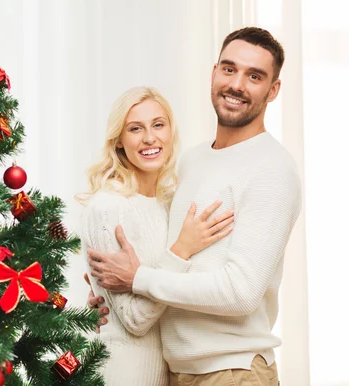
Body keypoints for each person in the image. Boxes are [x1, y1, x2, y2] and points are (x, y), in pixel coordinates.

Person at [87, 27, 302, 386]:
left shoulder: (272, 168)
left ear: (273, 90)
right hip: (175, 371)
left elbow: (240, 293)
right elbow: (172, 258)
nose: (236, 84)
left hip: (233, 372)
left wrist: (139, 279)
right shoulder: (192, 161)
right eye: (229, 69)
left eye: (254, 76)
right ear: (214, 73)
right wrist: (109, 295)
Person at [77, 86, 234, 386]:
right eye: (135, 128)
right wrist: (181, 250)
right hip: (124, 373)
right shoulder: (109, 207)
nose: (150, 138)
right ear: (119, 141)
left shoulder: (167, 205)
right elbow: (135, 320)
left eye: (158, 125)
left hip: (167, 372)